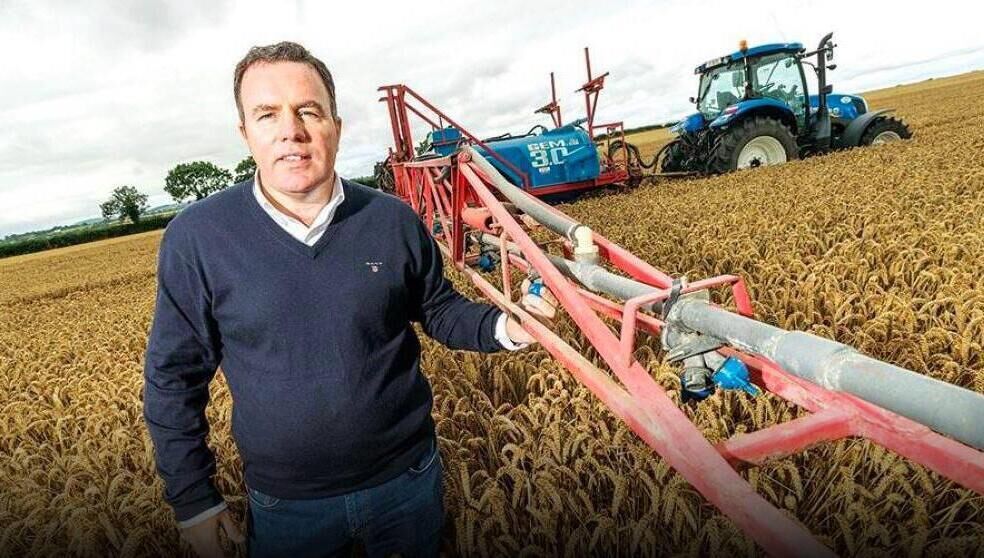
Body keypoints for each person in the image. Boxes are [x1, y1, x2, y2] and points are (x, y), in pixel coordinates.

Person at [142, 41, 555, 558]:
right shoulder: (198, 238)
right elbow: (173, 376)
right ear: (245, 133)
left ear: (335, 126)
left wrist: (508, 327)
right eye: (267, 114)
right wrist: (193, 501)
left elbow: (439, 309)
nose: (291, 131)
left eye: (308, 111)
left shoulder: (391, 219)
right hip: (287, 506)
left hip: (408, 482)